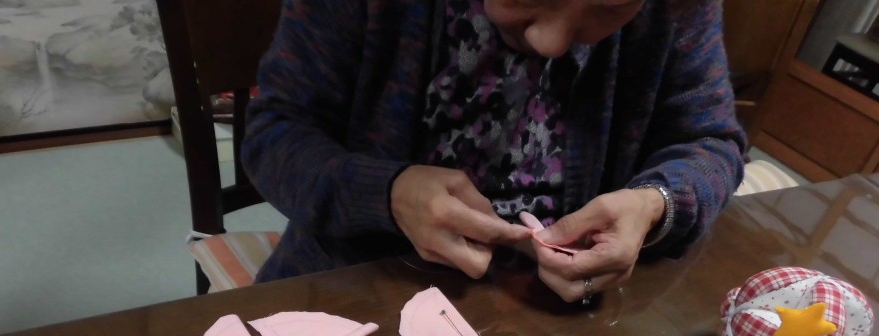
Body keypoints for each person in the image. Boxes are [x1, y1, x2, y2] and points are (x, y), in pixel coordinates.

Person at [242, 0, 745, 304]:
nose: (551, 43)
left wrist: (654, 204)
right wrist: (386, 194)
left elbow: (711, 143)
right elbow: (273, 135)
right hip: (358, 291)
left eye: (612, 8)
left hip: (559, 320)